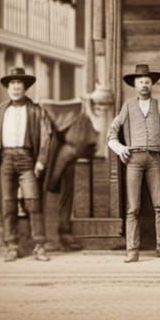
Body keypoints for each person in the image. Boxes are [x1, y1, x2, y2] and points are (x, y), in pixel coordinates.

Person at [0, 67, 55, 262]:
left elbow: (46, 136)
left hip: (27, 160)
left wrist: (41, 161)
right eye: (12, 83)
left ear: (25, 87)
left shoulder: (36, 110)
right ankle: (11, 246)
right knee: (8, 205)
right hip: (5, 160)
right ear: (7, 88)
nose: (15, 87)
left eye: (19, 83)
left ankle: (39, 245)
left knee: (33, 203)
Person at [107, 63, 160, 262]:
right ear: (135, 85)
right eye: (140, 82)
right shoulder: (128, 106)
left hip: (155, 159)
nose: (144, 85)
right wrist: (120, 148)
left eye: (147, 82)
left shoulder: (159, 105)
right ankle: (132, 249)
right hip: (134, 160)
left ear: (151, 84)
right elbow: (112, 131)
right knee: (133, 207)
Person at [44, 99, 98, 252]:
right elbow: (76, 143)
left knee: (63, 194)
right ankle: (52, 238)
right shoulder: (80, 116)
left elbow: (84, 146)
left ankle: (61, 234)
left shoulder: (84, 118)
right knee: (50, 193)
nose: (99, 108)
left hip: (66, 159)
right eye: (96, 105)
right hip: (52, 156)